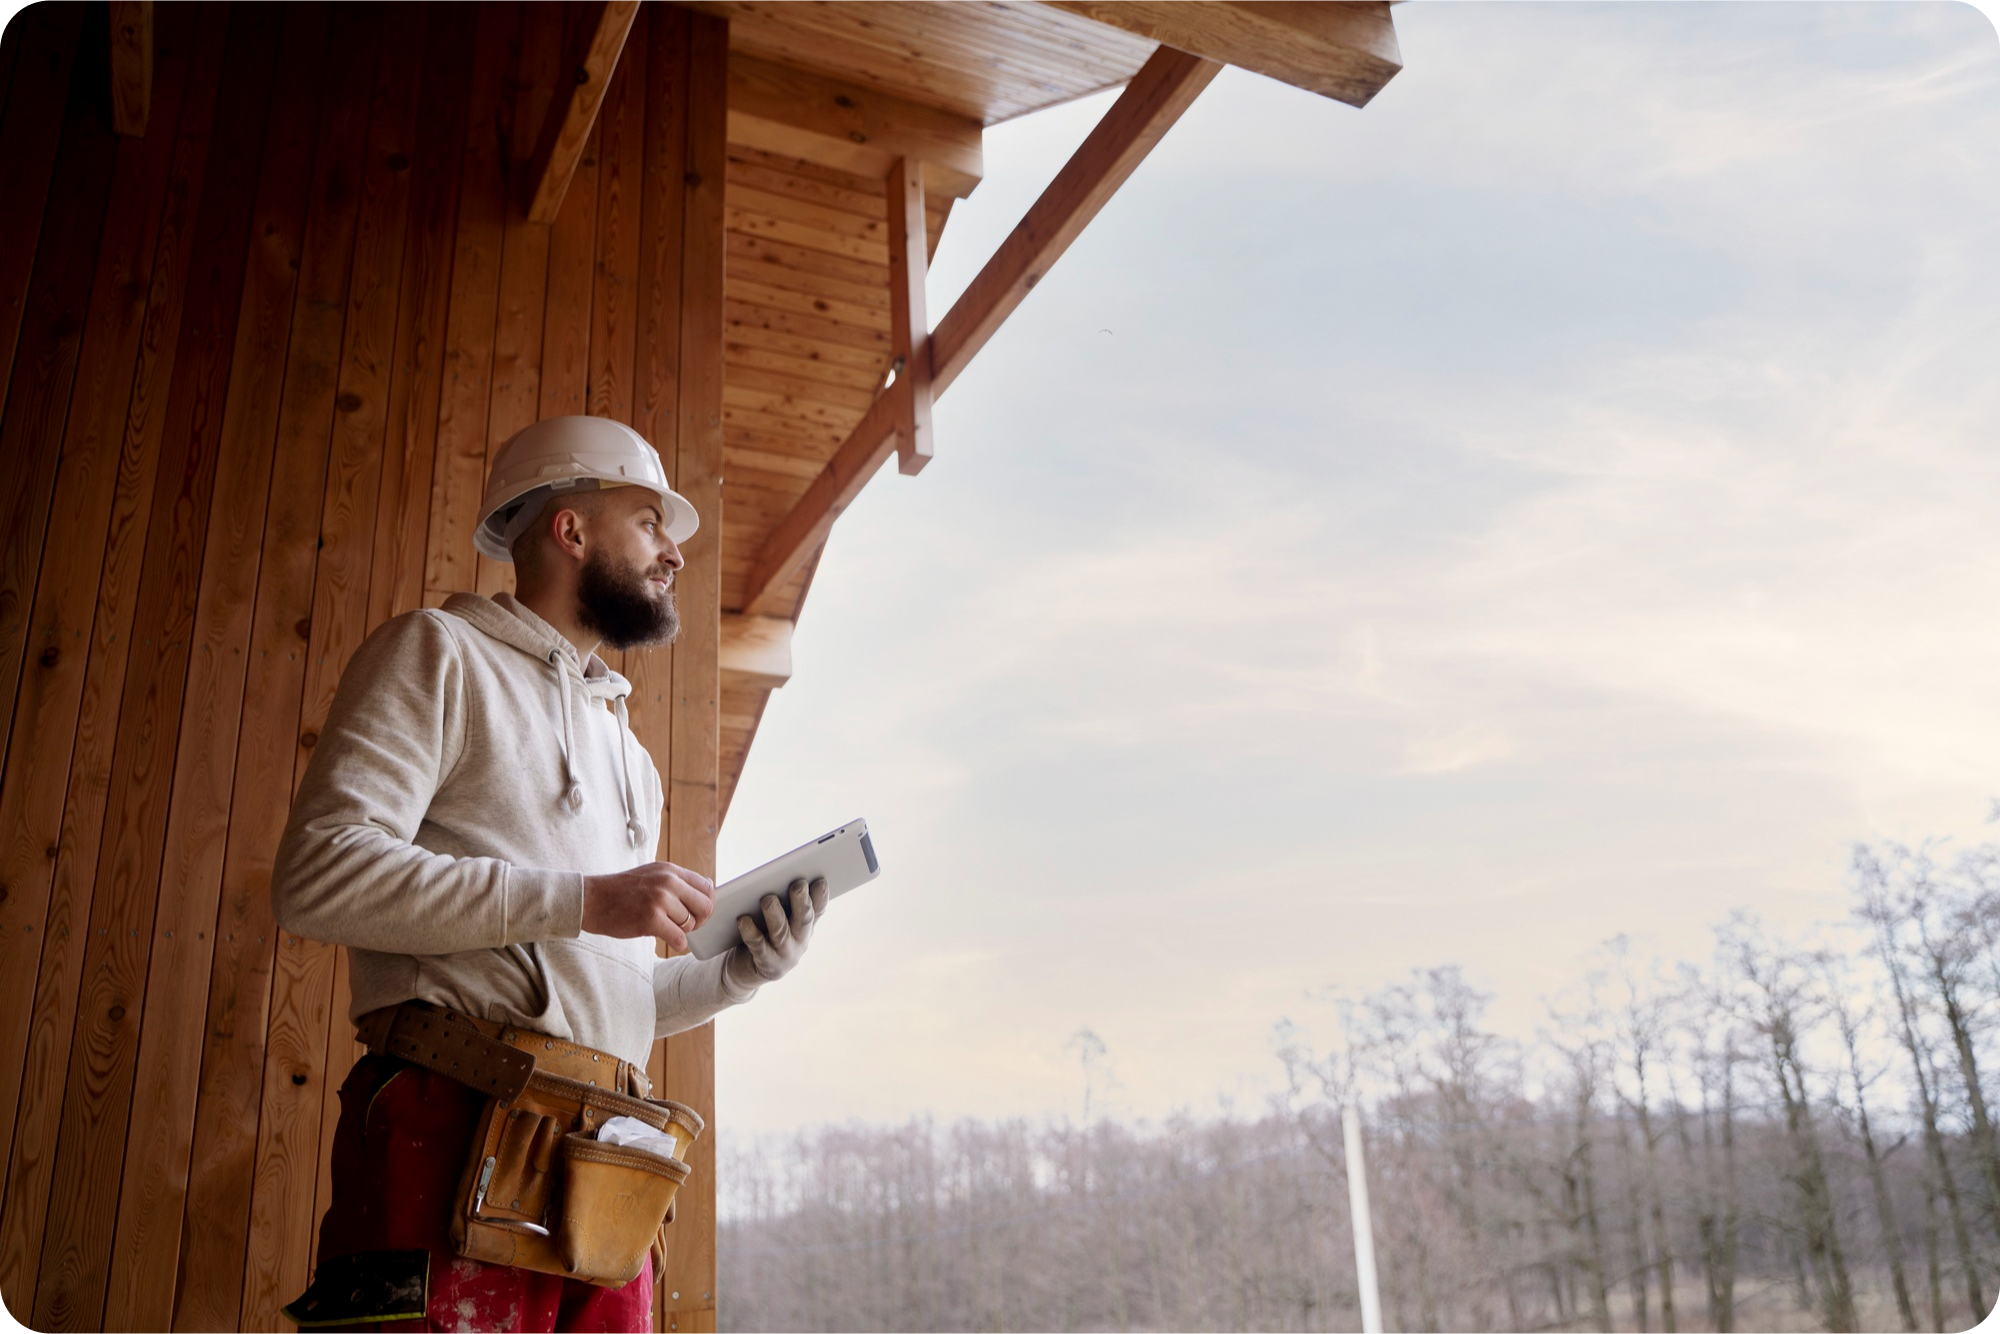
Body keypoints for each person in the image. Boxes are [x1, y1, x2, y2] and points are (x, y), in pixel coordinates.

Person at [272, 415, 822, 1332]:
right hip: (447, 1136)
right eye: (650, 522)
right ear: (570, 531)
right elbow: (319, 875)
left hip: (606, 1172)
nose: (675, 555)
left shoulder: (628, 752)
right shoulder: (437, 654)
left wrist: (735, 973)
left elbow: (596, 991)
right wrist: (587, 900)